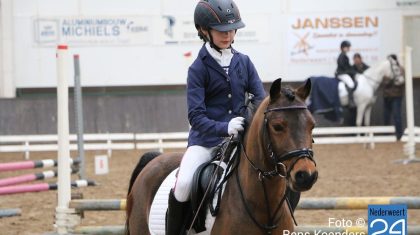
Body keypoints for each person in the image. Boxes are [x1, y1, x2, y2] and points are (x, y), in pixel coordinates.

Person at [166, 1, 266, 234]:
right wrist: (224, 127)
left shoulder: (244, 62)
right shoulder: (197, 69)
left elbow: (261, 100)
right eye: (221, 31)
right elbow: (196, 116)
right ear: (204, 30)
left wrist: (249, 122)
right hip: (205, 141)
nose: (228, 35)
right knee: (183, 185)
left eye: (231, 30)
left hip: (240, 140)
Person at [383, 54, 405, 141]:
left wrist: (392, 80)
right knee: (386, 117)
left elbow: (401, 82)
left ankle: (399, 135)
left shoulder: (400, 69)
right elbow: (384, 82)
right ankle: (386, 135)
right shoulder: (386, 71)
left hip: (396, 96)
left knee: (397, 116)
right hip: (387, 97)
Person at [336, 40, 357, 107]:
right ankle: (350, 101)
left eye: (348, 47)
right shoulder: (342, 56)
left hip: (344, 72)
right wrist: (351, 71)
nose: (348, 48)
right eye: (347, 47)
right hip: (342, 73)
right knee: (351, 84)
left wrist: (354, 71)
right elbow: (343, 66)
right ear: (343, 48)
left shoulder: (344, 55)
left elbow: (348, 66)